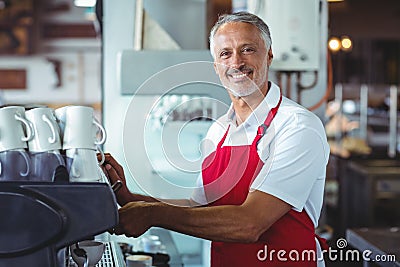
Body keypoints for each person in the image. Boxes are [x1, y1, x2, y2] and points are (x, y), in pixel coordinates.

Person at [102, 11, 330, 267]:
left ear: (268, 56)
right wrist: (130, 197)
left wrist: (152, 214)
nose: (236, 62)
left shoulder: (297, 126)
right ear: (216, 67)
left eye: (248, 49)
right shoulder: (218, 130)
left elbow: (250, 223)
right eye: (225, 54)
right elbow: (199, 208)